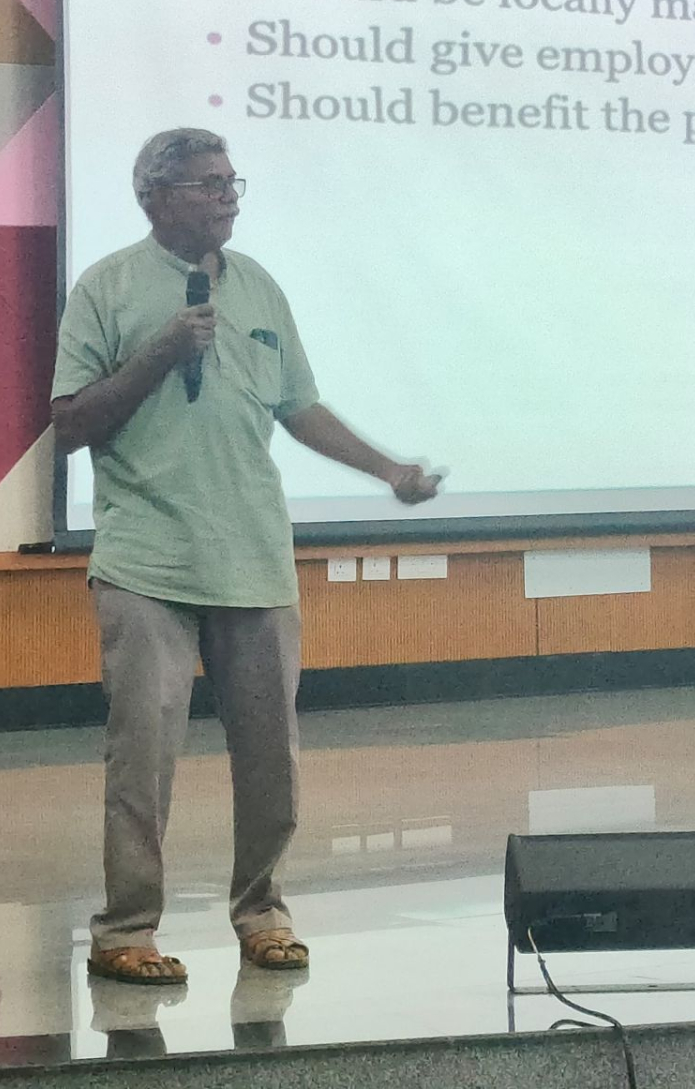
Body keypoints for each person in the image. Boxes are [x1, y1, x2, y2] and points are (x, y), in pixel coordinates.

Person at [52, 127, 441, 987]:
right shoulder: (106, 287)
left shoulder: (260, 285)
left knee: (272, 757)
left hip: (253, 554)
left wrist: (389, 471)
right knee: (143, 755)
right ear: (155, 196)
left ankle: (263, 913)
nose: (228, 196)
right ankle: (126, 929)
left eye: (233, 181)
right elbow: (70, 423)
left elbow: (300, 407)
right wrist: (161, 350)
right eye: (207, 183)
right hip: (148, 558)